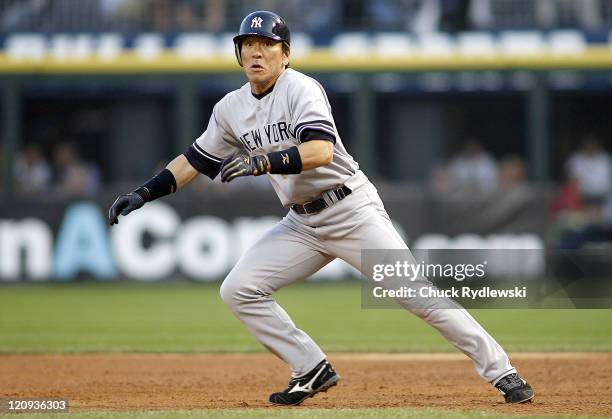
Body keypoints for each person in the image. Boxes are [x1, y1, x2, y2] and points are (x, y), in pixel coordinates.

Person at [108, 10, 533, 406]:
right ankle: (311, 367)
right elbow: (194, 162)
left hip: (351, 210)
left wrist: (263, 161)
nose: (256, 52)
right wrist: (144, 193)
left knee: (415, 294)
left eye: (267, 44)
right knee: (238, 290)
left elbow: (319, 151)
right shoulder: (231, 109)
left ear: (285, 54)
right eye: (248, 44)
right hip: (302, 224)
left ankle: (502, 371)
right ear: (238, 54)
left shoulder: (301, 88)